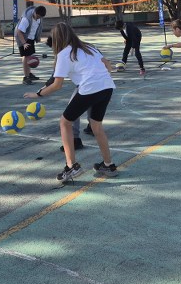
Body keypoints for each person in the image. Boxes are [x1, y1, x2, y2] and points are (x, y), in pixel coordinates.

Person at [24, 22, 117, 182]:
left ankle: (71, 167)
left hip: (90, 88)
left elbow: (57, 85)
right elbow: (108, 66)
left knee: (65, 123)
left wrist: (38, 94)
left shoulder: (64, 54)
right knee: (96, 126)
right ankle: (108, 165)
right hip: (107, 86)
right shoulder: (89, 47)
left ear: (57, 39)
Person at [37, 35, 88, 152]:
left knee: (70, 112)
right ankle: (92, 127)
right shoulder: (83, 46)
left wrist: (40, 93)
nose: (54, 51)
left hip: (87, 84)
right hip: (103, 84)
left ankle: (75, 140)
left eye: (53, 48)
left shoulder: (64, 54)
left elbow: (56, 82)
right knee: (92, 105)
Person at [16, 5, 46, 85]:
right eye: (37, 16)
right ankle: (26, 78)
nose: (38, 18)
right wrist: (24, 43)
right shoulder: (26, 19)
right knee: (26, 57)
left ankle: (29, 74)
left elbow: (37, 27)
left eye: (40, 17)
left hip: (31, 37)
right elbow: (19, 32)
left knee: (29, 56)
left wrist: (37, 37)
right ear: (35, 12)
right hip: (23, 38)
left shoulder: (39, 18)